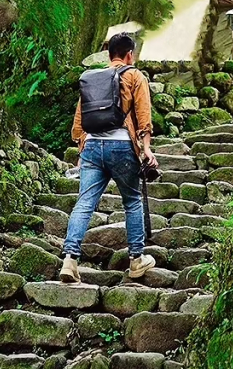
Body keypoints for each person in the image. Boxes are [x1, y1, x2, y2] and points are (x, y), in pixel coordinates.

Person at [59, 32, 159, 282]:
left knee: (84, 203)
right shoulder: (134, 75)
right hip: (122, 146)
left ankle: (70, 260)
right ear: (129, 54)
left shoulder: (92, 78)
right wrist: (146, 148)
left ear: (109, 55)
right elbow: (143, 115)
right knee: (133, 201)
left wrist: (82, 149)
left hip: (92, 146)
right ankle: (136, 259)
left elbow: (79, 121)